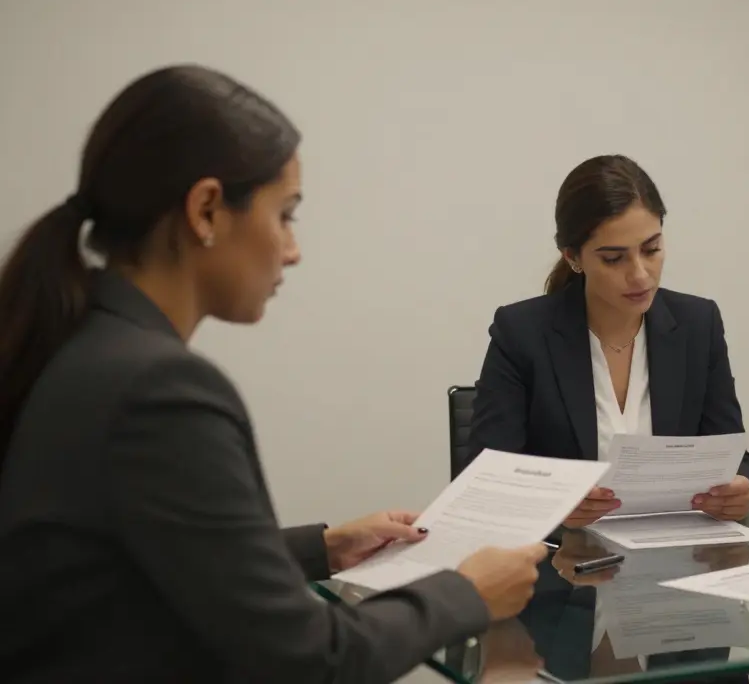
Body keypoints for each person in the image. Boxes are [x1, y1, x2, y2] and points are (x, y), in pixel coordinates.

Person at [0, 65, 545, 683]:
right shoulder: (160, 391)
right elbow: (310, 660)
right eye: (284, 215)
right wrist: (467, 593)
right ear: (206, 210)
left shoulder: (80, 343)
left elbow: (147, 556)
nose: (293, 249)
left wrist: (324, 547)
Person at [468, 155, 749, 528]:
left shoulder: (698, 325)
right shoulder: (522, 333)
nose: (639, 275)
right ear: (573, 257)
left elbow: (730, 453)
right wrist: (555, 508)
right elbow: (486, 477)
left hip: (674, 559)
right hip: (563, 568)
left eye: (651, 249)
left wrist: (741, 488)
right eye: (613, 259)